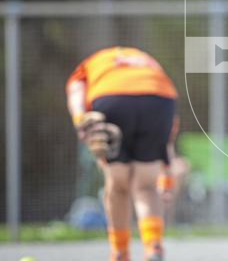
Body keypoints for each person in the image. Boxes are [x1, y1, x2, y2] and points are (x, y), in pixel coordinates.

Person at [66, 46, 178, 261]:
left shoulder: (91, 64)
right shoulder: (147, 61)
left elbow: (76, 90)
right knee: (146, 186)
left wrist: (80, 120)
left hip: (111, 96)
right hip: (159, 99)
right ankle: (153, 246)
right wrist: (167, 178)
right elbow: (170, 132)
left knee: (118, 185)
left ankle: (120, 252)